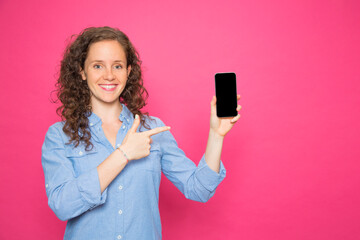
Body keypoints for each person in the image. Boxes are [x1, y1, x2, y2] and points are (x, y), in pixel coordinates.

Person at [41, 26, 241, 240]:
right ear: (82, 71)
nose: (109, 75)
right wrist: (124, 154)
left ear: (128, 71)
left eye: (117, 66)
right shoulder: (59, 136)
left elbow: (198, 189)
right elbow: (62, 205)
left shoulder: (153, 130)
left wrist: (216, 135)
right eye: (98, 66)